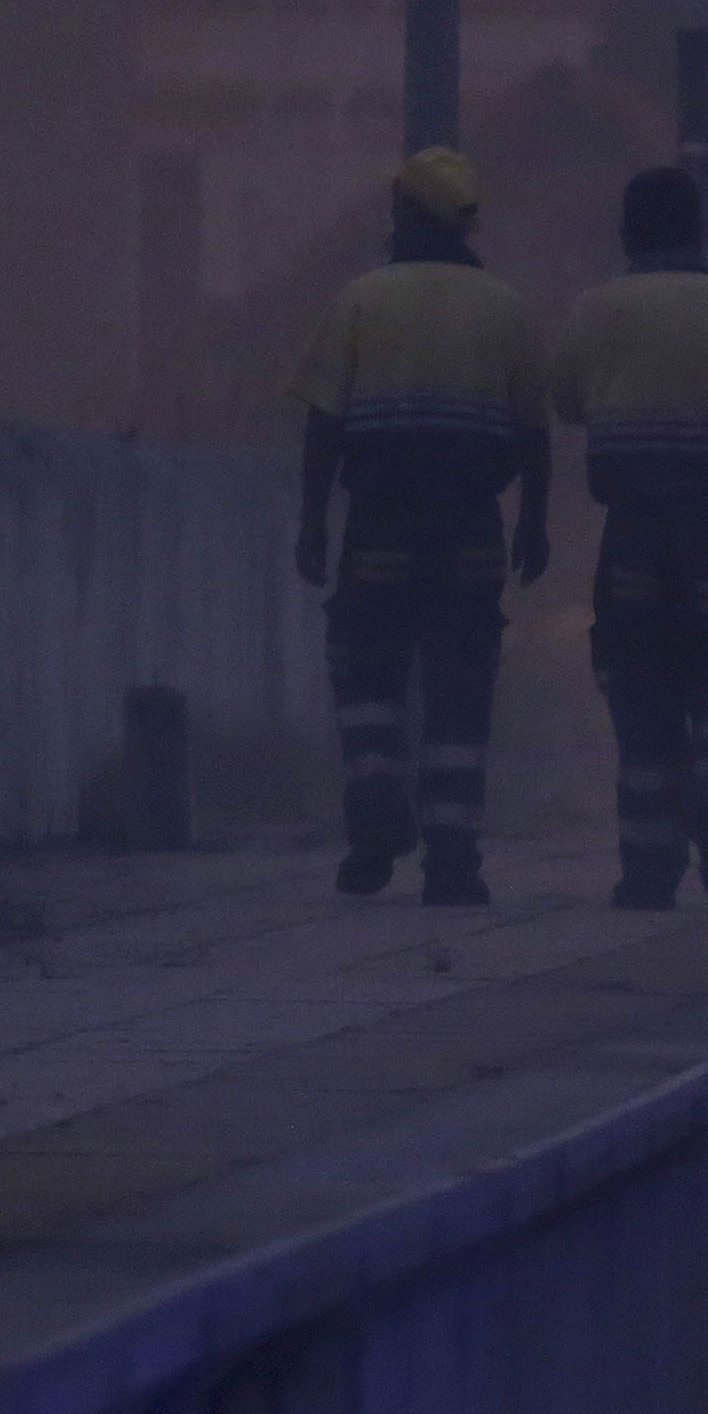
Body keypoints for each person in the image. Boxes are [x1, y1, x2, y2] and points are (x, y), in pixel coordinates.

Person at [294, 147, 552, 903]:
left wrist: (311, 524)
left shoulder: (359, 302)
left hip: (378, 532)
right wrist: (534, 524)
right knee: (460, 695)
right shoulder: (505, 308)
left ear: (405, 213)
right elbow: (533, 433)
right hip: (471, 538)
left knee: (367, 677)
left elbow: (322, 424)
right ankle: (452, 858)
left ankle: (375, 815)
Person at [551, 164, 708, 909]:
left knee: (640, 696)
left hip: (632, 537)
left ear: (628, 233)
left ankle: (647, 868)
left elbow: (564, 403)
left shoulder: (594, 311)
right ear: (699, 231)